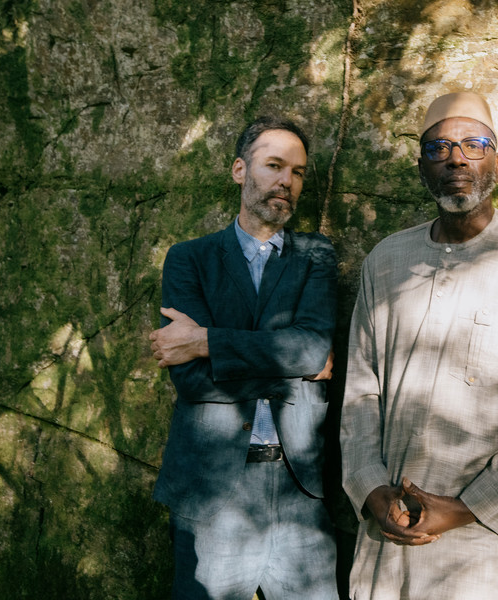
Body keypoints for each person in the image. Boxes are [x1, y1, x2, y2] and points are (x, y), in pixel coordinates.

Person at [340, 92, 498, 599]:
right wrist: (370, 488)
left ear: (497, 162)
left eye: (474, 145)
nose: (456, 159)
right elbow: (361, 390)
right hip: (385, 524)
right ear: (421, 168)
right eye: (439, 148)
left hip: (471, 538)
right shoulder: (386, 260)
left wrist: (466, 508)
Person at [149, 116, 339, 599]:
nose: (287, 181)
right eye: (274, 165)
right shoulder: (189, 259)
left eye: (297, 172)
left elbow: (312, 347)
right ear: (240, 170)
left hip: (299, 491)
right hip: (212, 493)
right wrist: (295, 370)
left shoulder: (315, 255)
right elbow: (192, 380)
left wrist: (207, 342)